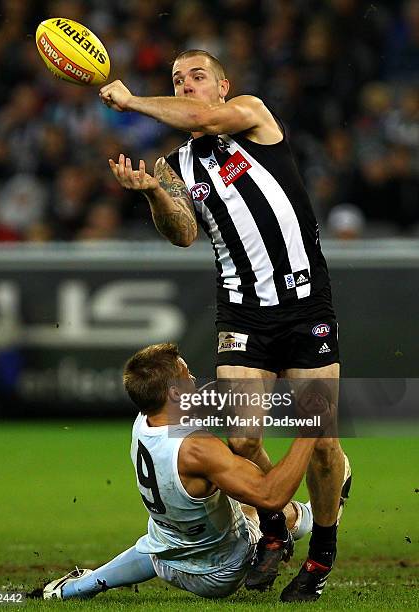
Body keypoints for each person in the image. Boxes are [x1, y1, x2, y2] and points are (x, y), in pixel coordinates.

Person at [99, 50, 351, 601]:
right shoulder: (177, 164)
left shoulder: (250, 114)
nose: (186, 85)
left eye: (196, 76)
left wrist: (132, 100)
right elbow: (182, 232)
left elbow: (207, 120)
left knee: (322, 442)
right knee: (241, 437)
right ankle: (277, 528)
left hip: (306, 303)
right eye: (176, 80)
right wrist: (153, 194)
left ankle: (322, 556)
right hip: (241, 310)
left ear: (222, 85)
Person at [44, 343, 349, 602]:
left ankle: (77, 588)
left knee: (163, 538)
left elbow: (203, 399)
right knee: (261, 505)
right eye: (186, 374)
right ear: (175, 394)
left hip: (167, 557)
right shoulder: (197, 450)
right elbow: (270, 495)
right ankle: (321, 508)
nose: (193, 378)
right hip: (219, 571)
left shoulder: (145, 419)